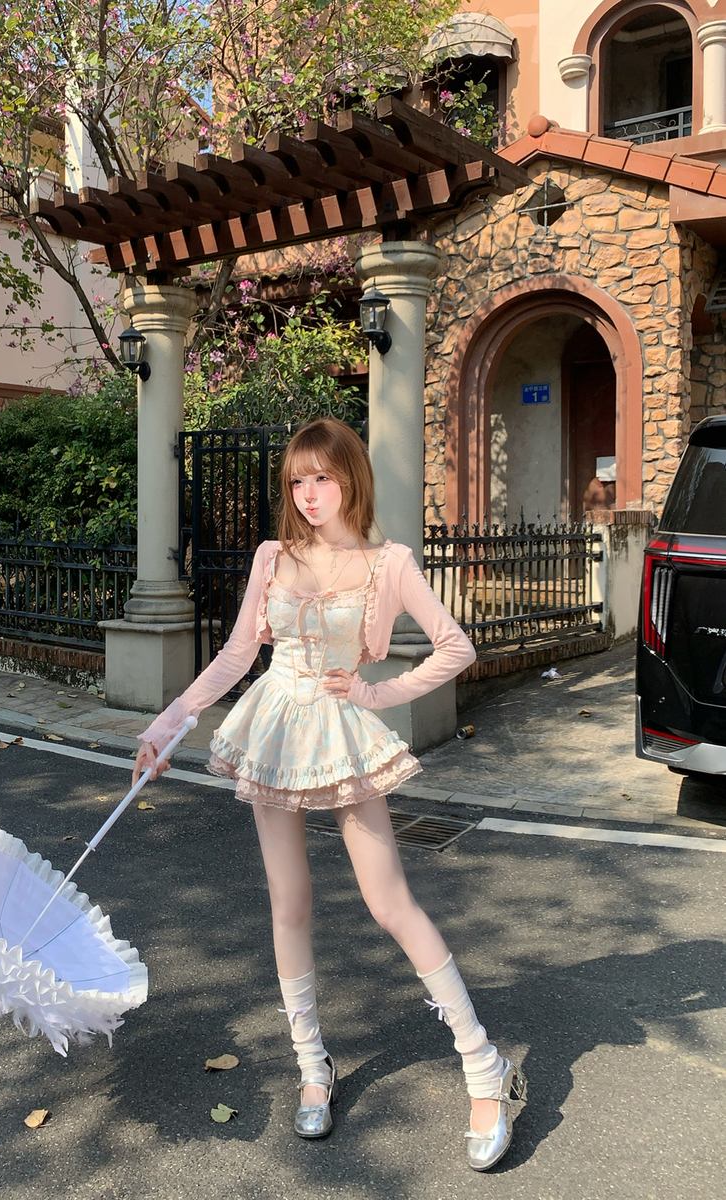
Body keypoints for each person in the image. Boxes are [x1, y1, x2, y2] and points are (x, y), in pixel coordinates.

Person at [132, 418, 527, 1170]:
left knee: (389, 903)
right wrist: (166, 725)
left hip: (342, 730)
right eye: (297, 481)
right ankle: (313, 1066)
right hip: (276, 729)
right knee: (290, 902)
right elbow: (237, 655)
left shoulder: (390, 563)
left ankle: (484, 1066)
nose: (310, 495)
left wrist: (381, 697)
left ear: (351, 478)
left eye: (324, 478)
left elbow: (458, 646)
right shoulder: (271, 557)